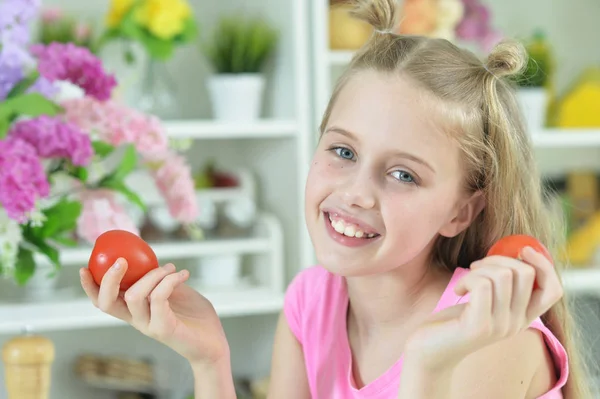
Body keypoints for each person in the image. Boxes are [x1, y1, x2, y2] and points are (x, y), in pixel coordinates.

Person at [79, 0, 590, 397]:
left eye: (403, 175)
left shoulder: (490, 332)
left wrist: (429, 363)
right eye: (343, 150)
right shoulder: (312, 303)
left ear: (461, 210)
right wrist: (210, 360)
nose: (355, 192)